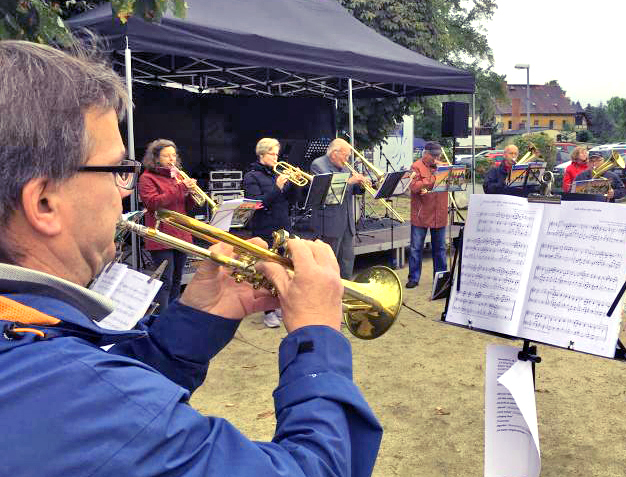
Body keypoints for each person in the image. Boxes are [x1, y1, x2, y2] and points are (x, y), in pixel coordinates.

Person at [0, 40, 381, 475]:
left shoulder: (32, 344)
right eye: (117, 171)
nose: (123, 192)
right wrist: (318, 339)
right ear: (44, 203)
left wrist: (197, 320)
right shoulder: (64, 386)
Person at [138, 138, 196, 312]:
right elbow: (153, 203)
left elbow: (185, 207)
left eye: (174, 155)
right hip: (161, 235)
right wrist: (180, 188)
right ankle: (160, 318)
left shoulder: (177, 175)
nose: (172, 159)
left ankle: (173, 316)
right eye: (167, 156)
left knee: (178, 279)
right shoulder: (147, 178)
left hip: (181, 232)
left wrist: (191, 194)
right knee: (165, 281)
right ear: (155, 158)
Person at [244, 137, 294, 328]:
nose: (276, 157)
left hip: (283, 225)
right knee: (268, 270)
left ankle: (280, 303)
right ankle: (268, 311)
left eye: (277, 154)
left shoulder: (276, 174)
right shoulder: (252, 177)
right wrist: (277, 187)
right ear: (262, 154)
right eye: (273, 154)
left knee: (283, 267)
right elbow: (257, 204)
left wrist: (294, 184)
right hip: (264, 227)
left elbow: (291, 199)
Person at [310, 138, 368, 279]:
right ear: (334, 153)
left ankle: (346, 294)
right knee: (329, 263)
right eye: (345, 155)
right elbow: (329, 192)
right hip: (329, 223)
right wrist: (350, 182)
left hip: (347, 222)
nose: (347, 159)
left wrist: (361, 185)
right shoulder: (318, 165)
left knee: (347, 262)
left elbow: (352, 191)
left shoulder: (345, 166)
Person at [406, 141, 449, 289]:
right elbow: (413, 186)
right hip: (421, 213)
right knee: (416, 248)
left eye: (438, 155)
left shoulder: (443, 166)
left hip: (439, 212)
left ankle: (441, 277)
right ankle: (414, 278)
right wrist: (432, 180)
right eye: (434, 156)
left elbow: (453, 182)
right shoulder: (415, 167)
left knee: (440, 248)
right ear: (425, 154)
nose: (436, 158)